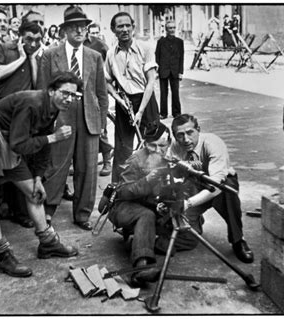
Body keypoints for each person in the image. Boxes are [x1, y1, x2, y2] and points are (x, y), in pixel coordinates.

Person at [0, 71, 80, 276]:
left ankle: (47, 243)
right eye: (65, 93)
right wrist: (54, 138)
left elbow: (40, 142)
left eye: (73, 96)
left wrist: (38, 177)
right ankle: (3, 256)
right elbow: (21, 143)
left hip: (8, 143)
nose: (69, 99)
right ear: (51, 91)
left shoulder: (54, 108)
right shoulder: (32, 103)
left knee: (34, 193)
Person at [38, 6, 109, 230]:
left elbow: (101, 93)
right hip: (61, 117)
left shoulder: (94, 57)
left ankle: (83, 214)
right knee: (56, 164)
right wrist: (47, 122)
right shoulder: (51, 54)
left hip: (89, 116)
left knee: (88, 168)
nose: (80, 31)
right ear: (65, 30)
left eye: (83, 27)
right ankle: (47, 210)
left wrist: (103, 122)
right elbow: (43, 91)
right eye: (74, 27)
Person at [166, 114, 254, 264]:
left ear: (198, 130)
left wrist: (188, 203)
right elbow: (170, 172)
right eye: (180, 135)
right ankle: (196, 221)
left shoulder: (213, 143)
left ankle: (238, 240)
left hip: (220, 184)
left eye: (190, 133)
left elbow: (215, 185)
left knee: (228, 191)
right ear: (174, 136)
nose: (186, 139)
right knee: (186, 236)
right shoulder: (174, 146)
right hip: (194, 183)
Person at [0, 21, 45, 228]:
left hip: (23, 117)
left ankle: (22, 212)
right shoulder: (3, 48)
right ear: (19, 36)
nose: (33, 43)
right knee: (4, 164)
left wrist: (31, 58)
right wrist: (22, 58)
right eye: (29, 39)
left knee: (22, 162)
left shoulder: (37, 54)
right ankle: (7, 209)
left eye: (38, 40)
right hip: (1, 116)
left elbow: (38, 84)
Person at [108, 122, 171, 286]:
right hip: (122, 206)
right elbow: (123, 192)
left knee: (184, 238)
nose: (158, 150)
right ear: (144, 142)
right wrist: (148, 180)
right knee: (146, 215)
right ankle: (140, 269)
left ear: (169, 143)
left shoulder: (171, 157)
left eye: (162, 146)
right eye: (152, 145)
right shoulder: (136, 159)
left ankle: (143, 240)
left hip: (150, 205)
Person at [105, 11, 160, 183]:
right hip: (124, 103)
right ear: (113, 30)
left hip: (146, 101)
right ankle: (117, 192)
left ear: (133, 27)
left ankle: (155, 187)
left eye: (128, 25)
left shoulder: (146, 48)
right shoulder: (110, 54)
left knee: (153, 146)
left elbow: (151, 82)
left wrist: (140, 111)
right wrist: (118, 99)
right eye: (120, 26)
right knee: (123, 150)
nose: (125, 29)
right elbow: (107, 81)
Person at [83, 22, 113, 177]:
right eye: (91, 31)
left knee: (101, 128)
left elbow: (109, 64)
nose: (93, 34)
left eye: (96, 31)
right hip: (81, 91)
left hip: (97, 90)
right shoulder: (79, 44)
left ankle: (107, 161)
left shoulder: (101, 45)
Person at [155, 20, 184, 119]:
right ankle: (163, 113)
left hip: (175, 71)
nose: (172, 30)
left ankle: (176, 113)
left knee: (175, 92)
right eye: (170, 28)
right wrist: (157, 70)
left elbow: (181, 58)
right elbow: (157, 56)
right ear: (166, 30)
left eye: (173, 28)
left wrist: (180, 72)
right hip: (163, 70)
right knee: (163, 93)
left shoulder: (179, 42)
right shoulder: (161, 42)